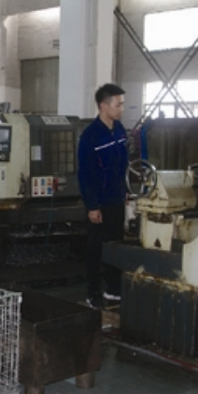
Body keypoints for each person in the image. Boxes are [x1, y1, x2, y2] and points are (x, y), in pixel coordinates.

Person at [78, 83, 129, 310]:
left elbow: (124, 164)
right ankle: (93, 292)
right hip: (99, 202)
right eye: (118, 105)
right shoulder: (90, 136)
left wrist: (125, 192)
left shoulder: (119, 130)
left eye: (122, 104)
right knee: (96, 249)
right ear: (103, 106)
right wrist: (92, 206)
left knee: (115, 245)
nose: (122, 109)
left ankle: (113, 289)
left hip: (117, 199)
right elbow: (85, 174)